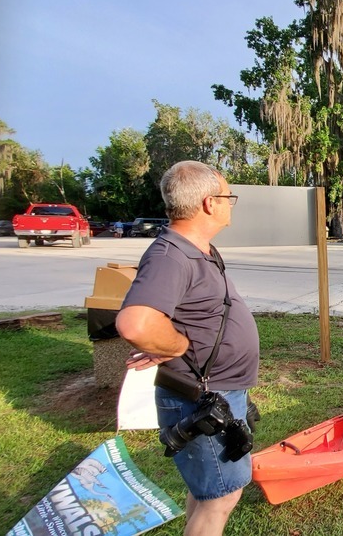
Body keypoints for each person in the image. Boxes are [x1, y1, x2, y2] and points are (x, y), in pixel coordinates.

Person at [116, 161, 259, 536]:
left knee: (209, 491)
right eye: (229, 196)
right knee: (221, 499)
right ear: (210, 203)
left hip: (218, 392)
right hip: (201, 398)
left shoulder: (199, 249)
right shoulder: (171, 255)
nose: (231, 203)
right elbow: (136, 323)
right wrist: (177, 344)